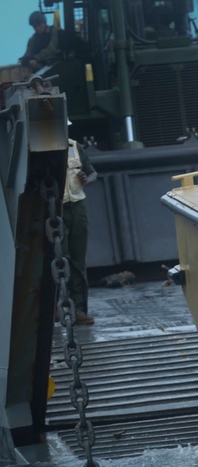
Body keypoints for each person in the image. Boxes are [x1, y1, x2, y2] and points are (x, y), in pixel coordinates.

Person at [61, 136, 97, 325]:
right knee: (61, 259)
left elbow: (92, 173)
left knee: (77, 260)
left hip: (77, 206)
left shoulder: (75, 146)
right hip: (56, 208)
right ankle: (58, 308)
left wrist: (85, 179)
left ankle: (79, 309)